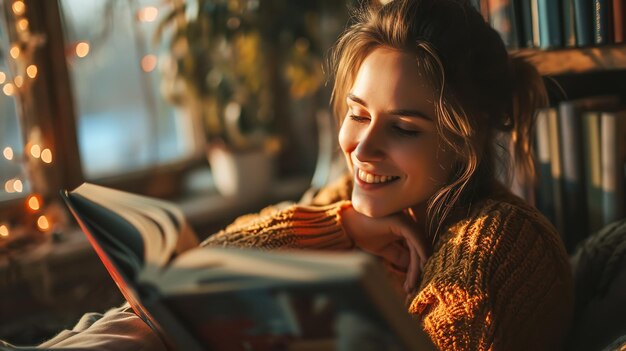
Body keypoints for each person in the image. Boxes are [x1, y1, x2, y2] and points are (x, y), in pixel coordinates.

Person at [9, 0, 572, 350]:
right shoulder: (346, 201)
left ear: (462, 139)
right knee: (126, 325)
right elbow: (195, 279)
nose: (363, 147)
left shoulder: (498, 239)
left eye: (403, 127)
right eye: (357, 113)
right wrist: (342, 227)